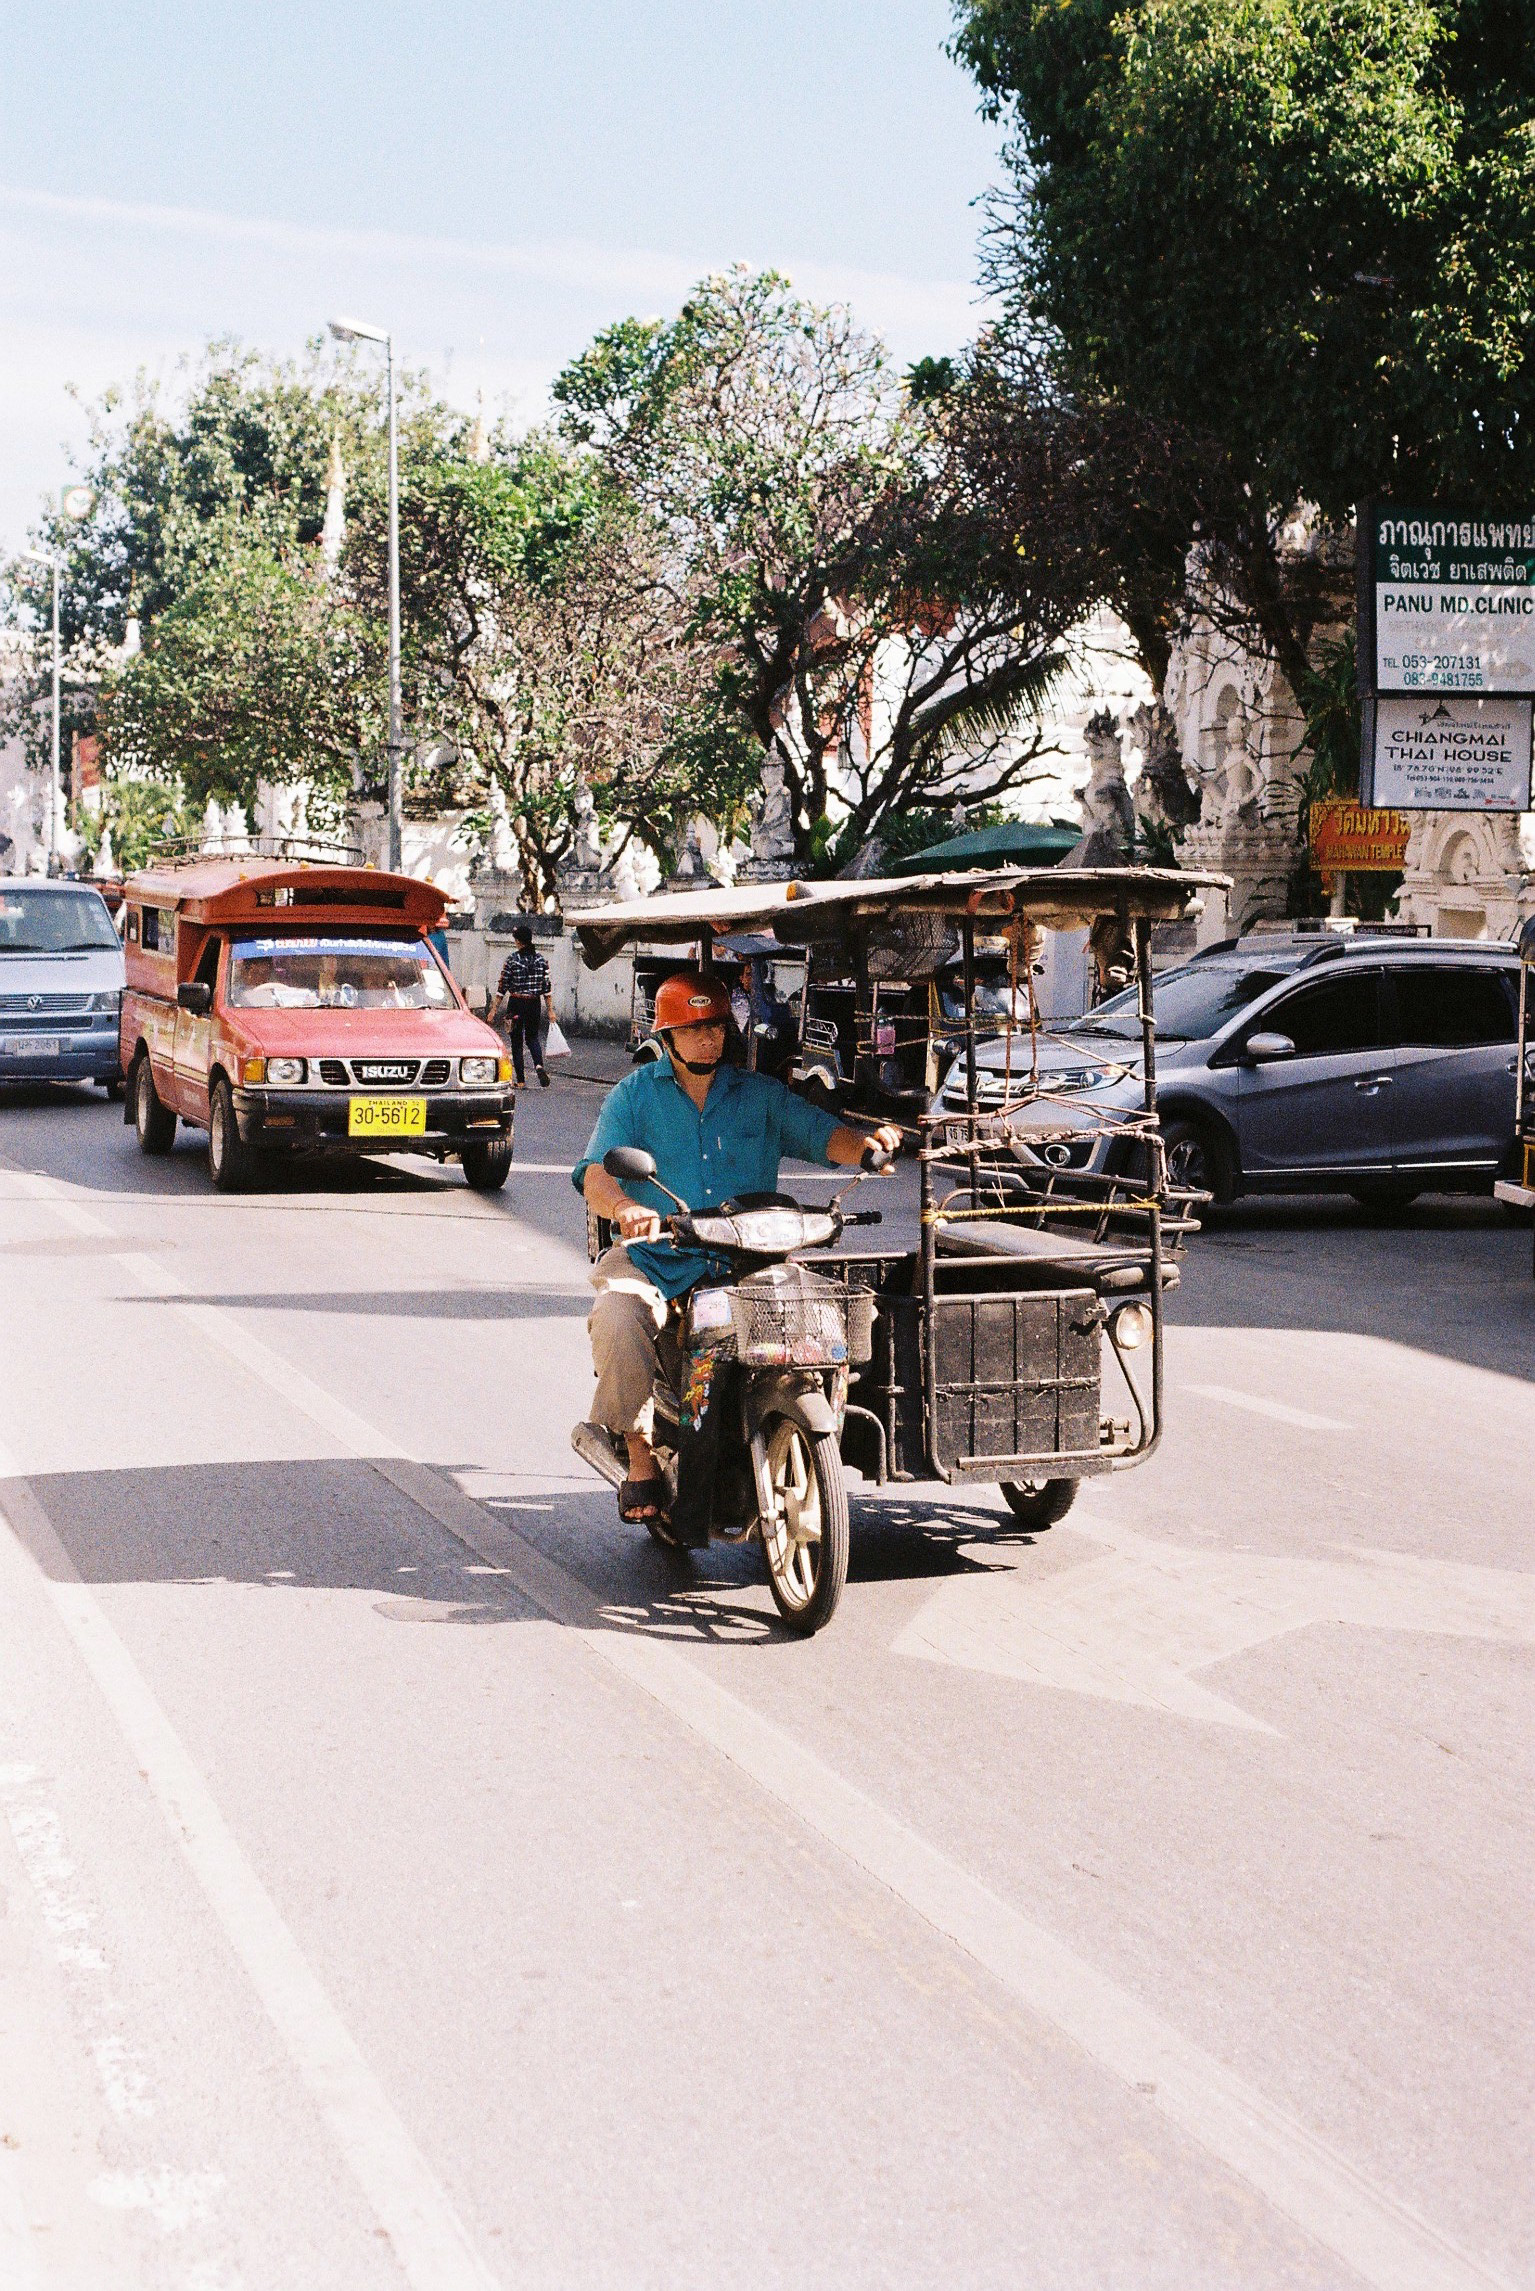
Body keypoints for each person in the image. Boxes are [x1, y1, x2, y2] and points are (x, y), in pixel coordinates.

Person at [573, 968, 901, 1530]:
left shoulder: (760, 1095)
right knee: (619, 1315)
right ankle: (640, 1455)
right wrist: (625, 1209)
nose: (711, 1037)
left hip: (747, 1260)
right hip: (660, 1258)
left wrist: (866, 1149)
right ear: (667, 1036)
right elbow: (597, 1173)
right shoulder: (634, 1095)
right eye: (696, 1027)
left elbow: (823, 1135)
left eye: (719, 1026)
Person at [489, 923, 553, 1086]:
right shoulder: (541, 960)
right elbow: (547, 988)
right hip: (534, 1003)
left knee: (516, 1042)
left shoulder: (512, 960)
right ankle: (538, 1065)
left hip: (516, 1003)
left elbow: (502, 986)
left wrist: (494, 1009)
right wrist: (551, 1011)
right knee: (532, 1038)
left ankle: (521, 1081)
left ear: (518, 941)